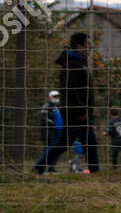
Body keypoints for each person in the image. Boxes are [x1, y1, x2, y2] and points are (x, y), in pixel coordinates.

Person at [54, 31, 99, 172]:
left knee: (65, 142)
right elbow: (71, 90)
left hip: (78, 111)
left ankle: (39, 166)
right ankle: (94, 170)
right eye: (88, 44)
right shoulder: (72, 64)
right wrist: (81, 110)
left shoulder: (79, 62)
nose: (91, 47)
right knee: (90, 141)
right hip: (76, 112)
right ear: (80, 46)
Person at [32, 90, 67, 174]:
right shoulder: (46, 106)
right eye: (55, 97)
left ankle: (51, 167)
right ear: (50, 97)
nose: (57, 98)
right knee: (47, 150)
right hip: (50, 132)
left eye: (57, 97)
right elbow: (44, 118)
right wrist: (53, 125)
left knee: (56, 150)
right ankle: (38, 168)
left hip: (59, 132)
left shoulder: (58, 107)